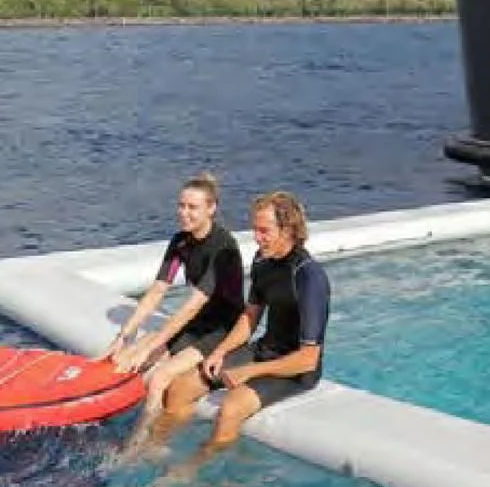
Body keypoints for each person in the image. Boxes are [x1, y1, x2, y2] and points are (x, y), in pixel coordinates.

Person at [158, 191, 329, 457]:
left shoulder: (308, 276)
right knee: (180, 387)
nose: (257, 238)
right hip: (265, 350)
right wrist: (220, 352)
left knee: (231, 408)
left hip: (295, 370)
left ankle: (190, 472)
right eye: (255, 230)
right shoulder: (262, 262)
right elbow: (250, 317)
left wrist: (250, 371)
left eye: (265, 231)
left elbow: (308, 359)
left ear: (288, 230)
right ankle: (157, 450)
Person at [104, 173, 247, 415]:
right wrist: (124, 334)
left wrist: (150, 348)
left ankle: (144, 444)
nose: (184, 213)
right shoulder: (181, 241)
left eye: (193, 207)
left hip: (222, 330)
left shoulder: (224, 248)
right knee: (125, 360)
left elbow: (191, 306)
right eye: (181, 206)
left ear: (211, 208)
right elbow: (158, 289)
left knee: (160, 377)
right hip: (197, 323)